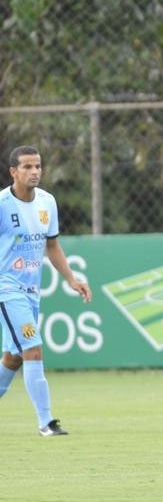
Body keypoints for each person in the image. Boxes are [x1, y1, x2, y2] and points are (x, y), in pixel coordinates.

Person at [0, 146, 93, 436]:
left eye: (38, 166)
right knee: (33, 347)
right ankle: (46, 422)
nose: (34, 172)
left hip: (31, 291)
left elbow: (51, 246)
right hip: (6, 288)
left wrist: (71, 279)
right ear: (13, 172)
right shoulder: (2, 204)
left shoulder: (47, 202)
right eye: (27, 167)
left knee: (13, 358)